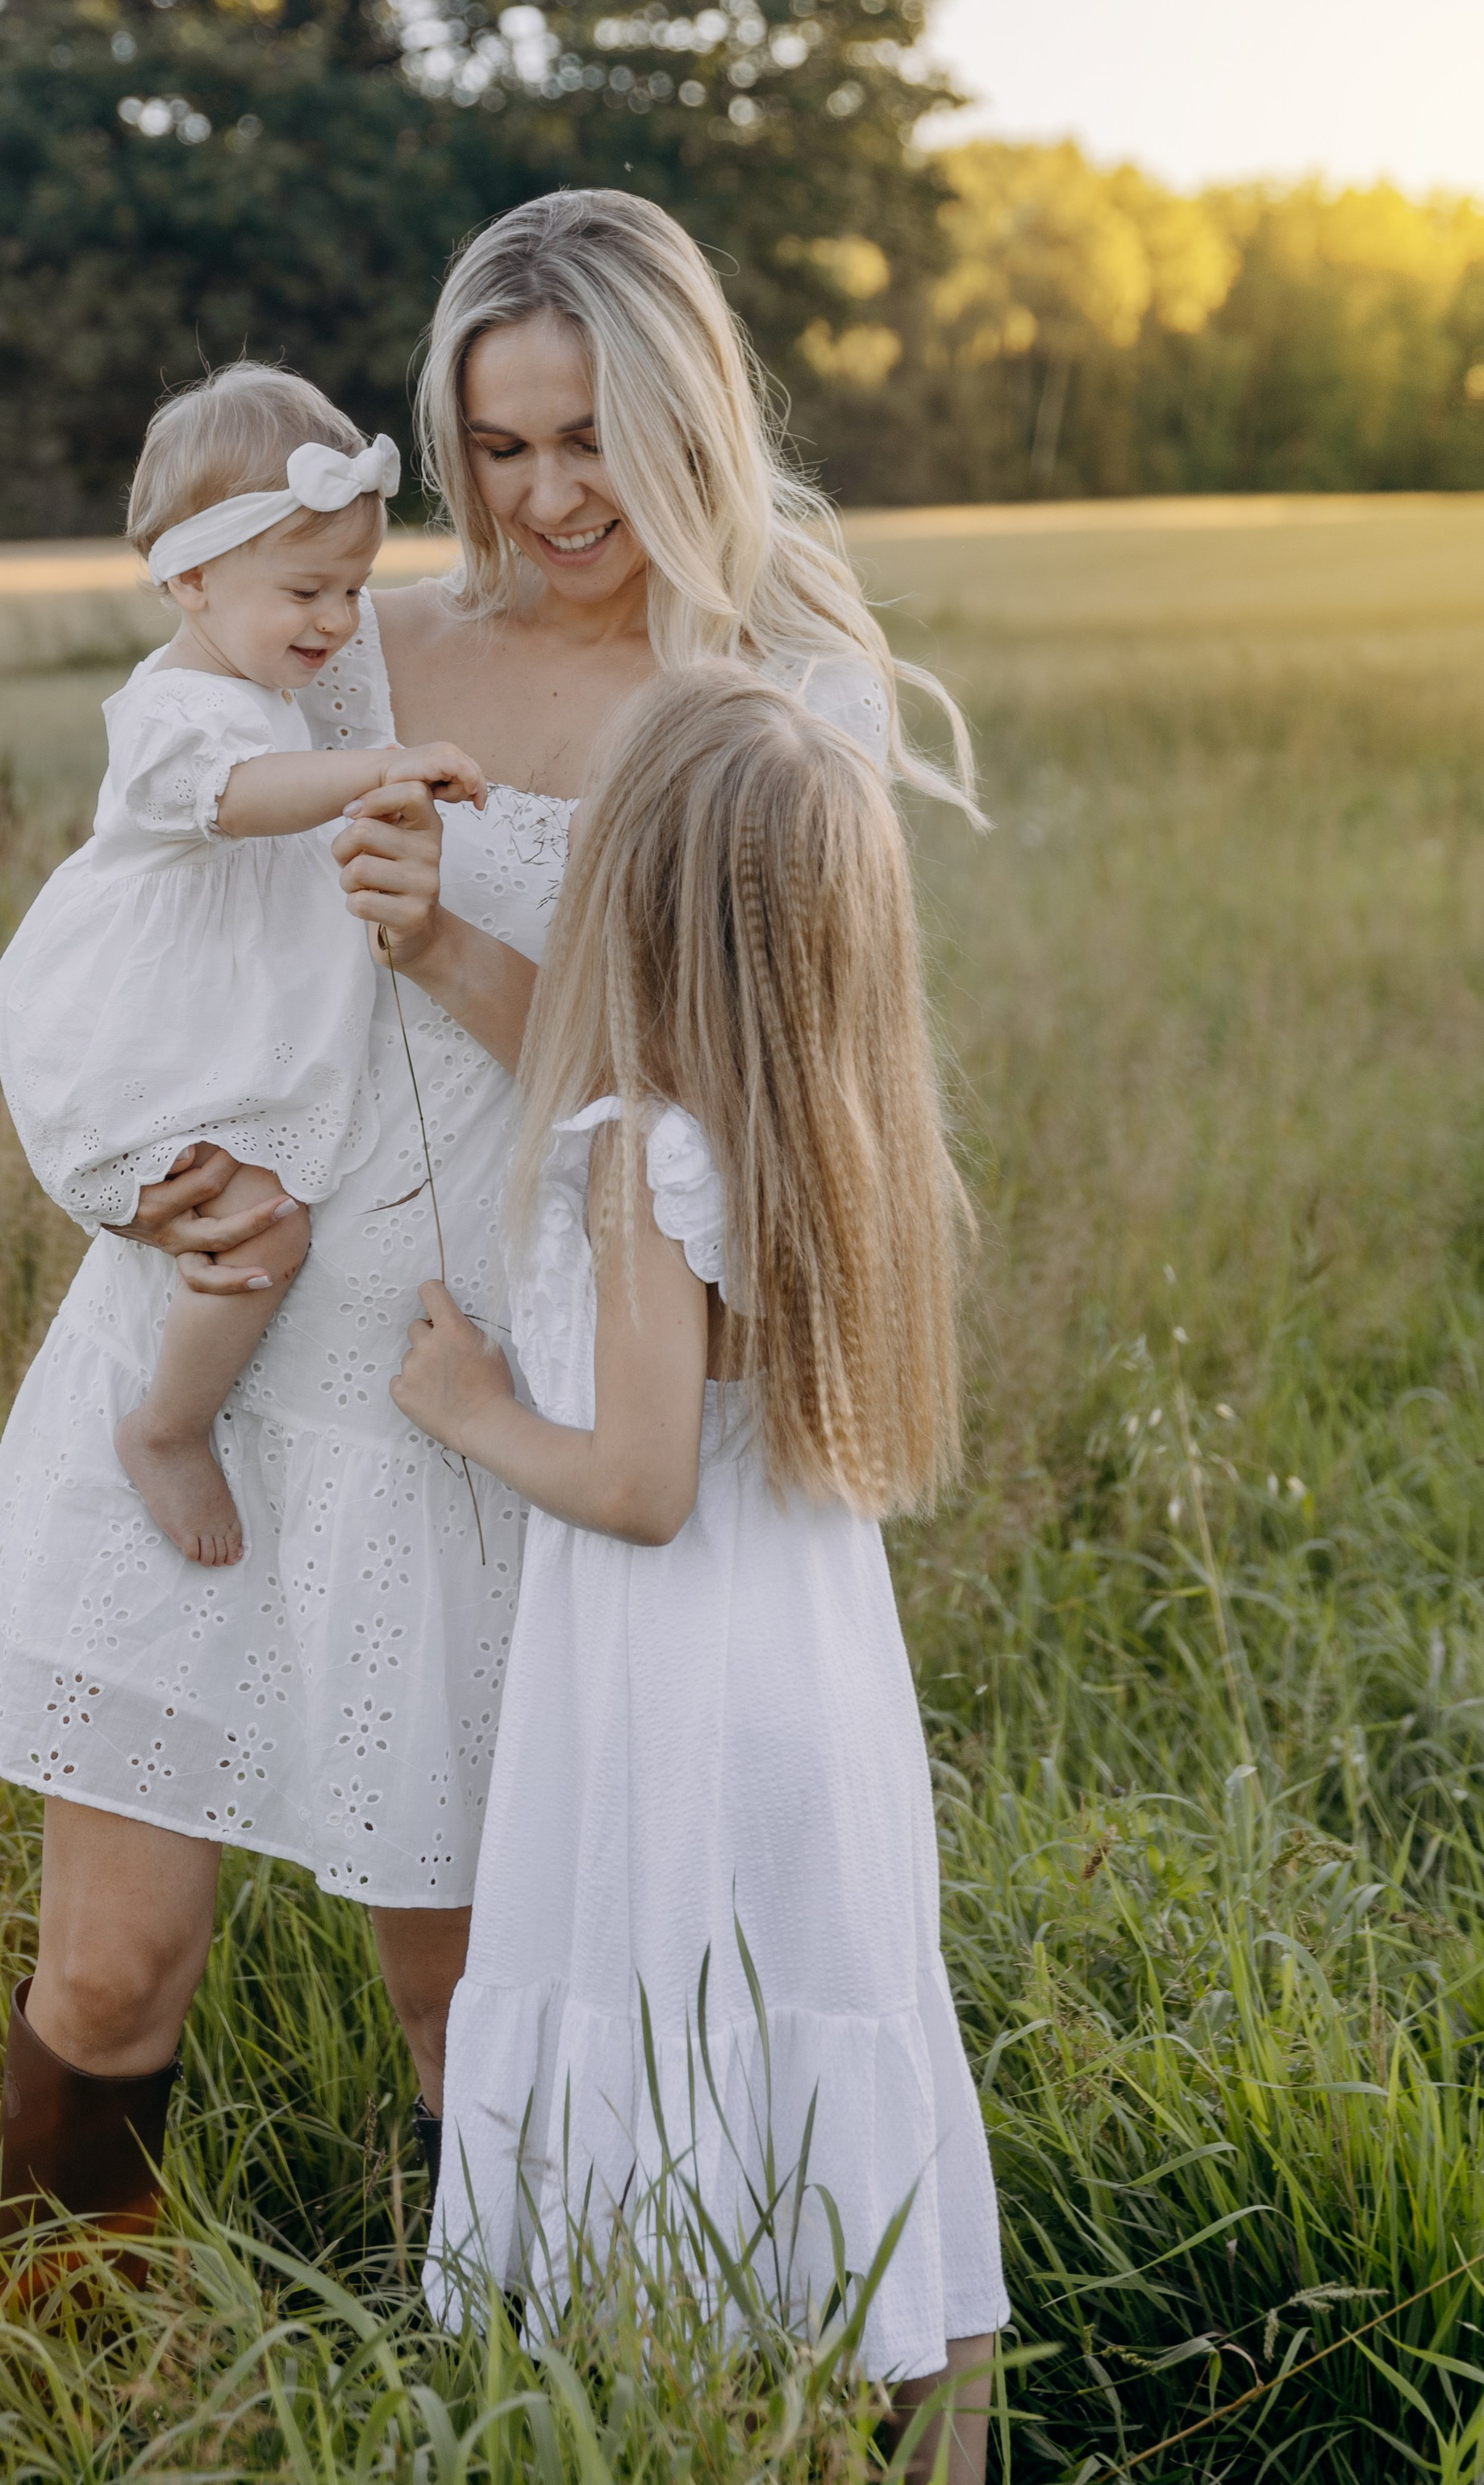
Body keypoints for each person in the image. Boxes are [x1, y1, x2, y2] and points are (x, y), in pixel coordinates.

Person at [0, 186, 971, 2269]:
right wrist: (130, 1177)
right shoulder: (340, 644)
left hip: (484, 1387)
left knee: (462, 2003)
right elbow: (127, 914)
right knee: (112, 1971)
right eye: (499, 445)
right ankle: (42, 2366)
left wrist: (457, 970)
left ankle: (522, 2378)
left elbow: (746, 1109)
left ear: (689, 411)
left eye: (590, 434)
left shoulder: (785, 713)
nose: (549, 493)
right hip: (221, 1341)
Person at [394, 664, 1007, 2483]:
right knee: (855, 2078)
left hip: (672, 1701)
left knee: (672, 2084)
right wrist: (435, 951)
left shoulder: (639, 1154)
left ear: (630, 899)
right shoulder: (843, 1133)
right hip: (820, 1695)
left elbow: (641, 1485)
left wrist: (470, 1406)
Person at [0, 365, 483, 1570]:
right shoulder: (173, 712)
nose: (336, 622)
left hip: (232, 1013)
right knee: (259, 1226)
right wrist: (382, 768)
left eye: (355, 588)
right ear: (192, 578)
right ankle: (169, 1426)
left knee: (265, 1209)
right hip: (158, 1024)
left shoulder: (266, 681)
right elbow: (240, 799)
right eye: (306, 590)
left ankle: (179, 1415)